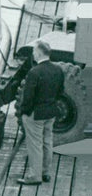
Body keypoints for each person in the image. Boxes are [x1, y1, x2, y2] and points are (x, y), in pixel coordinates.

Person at [17, 39, 65, 185]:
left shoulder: (34, 72)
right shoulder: (58, 69)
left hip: (35, 114)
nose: (33, 54)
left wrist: (24, 112)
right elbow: (60, 91)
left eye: (33, 52)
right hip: (50, 112)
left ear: (37, 53)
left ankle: (34, 176)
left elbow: (28, 96)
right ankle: (45, 173)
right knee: (47, 142)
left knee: (35, 144)